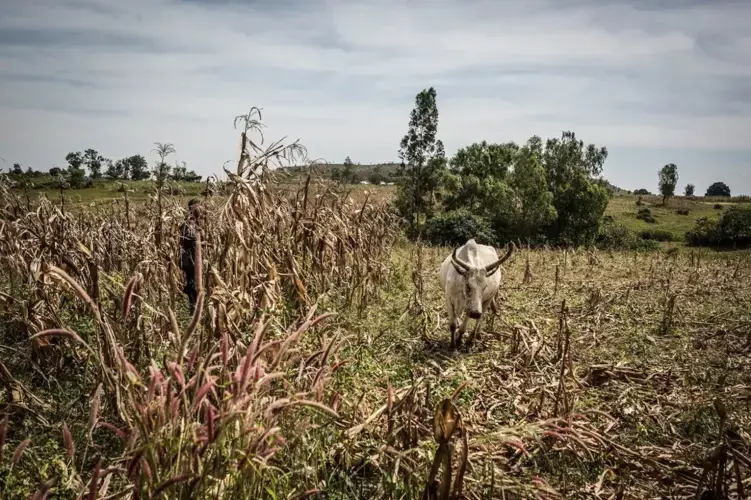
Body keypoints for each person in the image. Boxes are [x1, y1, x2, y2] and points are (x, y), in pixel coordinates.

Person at [179, 199, 201, 312]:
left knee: (194, 282)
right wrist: (198, 242)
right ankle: (194, 308)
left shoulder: (194, 221)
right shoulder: (190, 222)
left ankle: (195, 306)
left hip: (192, 258)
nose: (199, 209)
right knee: (192, 283)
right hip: (190, 258)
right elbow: (187, 238)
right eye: (196, 207)